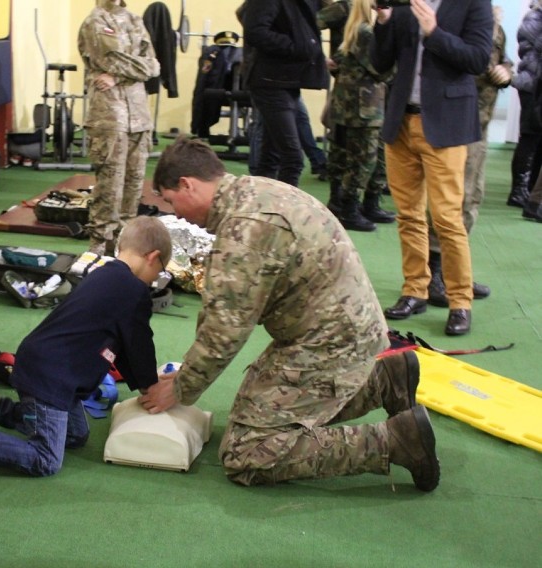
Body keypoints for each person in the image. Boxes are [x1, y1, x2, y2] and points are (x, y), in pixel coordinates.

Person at [138, 137, 438, 491]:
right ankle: (384, 381)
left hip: (329, 342)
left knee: (247, 451)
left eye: (172, 201)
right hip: (341, 328)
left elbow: (223, 332)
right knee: (257, 414)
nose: (177, 214)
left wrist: (182, 389)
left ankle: (396, 441)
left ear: (188, 184)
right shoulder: (256, 190)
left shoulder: (243, 229)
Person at [0, 216, 171, 477]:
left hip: (53, 370)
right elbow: (138, 342)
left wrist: (144, 382)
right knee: (46, 459)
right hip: (50, 376)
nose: (157, 277)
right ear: (152, 257)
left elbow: (123, 346)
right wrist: (150, 385)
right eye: (161, 269)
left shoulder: (107, 274)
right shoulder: (133, 290)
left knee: (75, 435)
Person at [372, 0, 493, 337]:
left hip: (447, 123)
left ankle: (460, 301)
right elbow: (380, 63)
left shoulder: (475, 4)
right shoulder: (405, 5)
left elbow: (478, 59)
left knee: (446, 219)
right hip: (401, 121)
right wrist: (383, 23)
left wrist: (435, 33)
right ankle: (415, 290)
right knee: (408, 215)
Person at [427, 5, 511, 306]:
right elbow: (470, 61)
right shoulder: (456, 14)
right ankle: (434, 274)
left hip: (483, 123)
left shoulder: (494, 22)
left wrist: (507, 71)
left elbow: (502, 59)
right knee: (450, 201)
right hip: (459, 118)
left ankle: (456, 272)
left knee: (473, 197)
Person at [78, 0, 160, 256]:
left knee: (133, 188)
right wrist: (135, 69)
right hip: (109, 116)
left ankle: (124, 251)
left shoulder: (135, 20)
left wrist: (118, 77)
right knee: (109, 189)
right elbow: (109, 59)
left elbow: (153, 65)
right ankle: (98, 251)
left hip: (139, 115)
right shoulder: (95, 22)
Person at [240, 0, 329, 188]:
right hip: (270, 81)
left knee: (271, 157)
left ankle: (260, 206)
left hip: (287, 80)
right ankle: (285, 212)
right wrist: (295, 46)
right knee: (293, 158)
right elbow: (255, 30)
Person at [325, 0, 395, 232]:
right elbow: (382, 70)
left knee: (353, 157)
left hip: (353, 106)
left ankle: (356, 204)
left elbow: (336, 64)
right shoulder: (365, 33)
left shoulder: (354, 30)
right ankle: (349, 209)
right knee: (362, 160)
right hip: (364, 108)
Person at [507, 2, 542, 209]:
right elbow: (532, 47)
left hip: (537, 85)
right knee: (529, 138)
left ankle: (529, 188)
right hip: (531, 85)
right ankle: (518, 191)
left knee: (537, 139)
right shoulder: (533, 18)